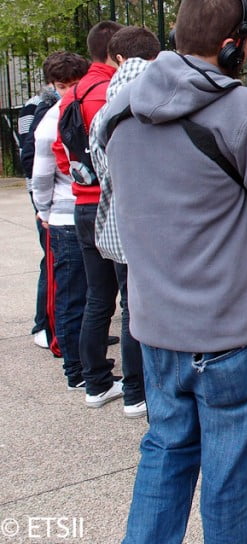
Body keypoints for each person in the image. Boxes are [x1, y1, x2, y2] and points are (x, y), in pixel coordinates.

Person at [104, 0, 247, 542]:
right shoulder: (242, 111)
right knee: (233, 469)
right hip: (231, 328)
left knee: (165, 453)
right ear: (234, 47)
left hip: (156, 326)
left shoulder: (119, 110)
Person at [52, 20, 143, 411]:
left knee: (97, 298)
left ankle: (94, 381)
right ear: (117, 53)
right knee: (131, 302)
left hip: (81, 204)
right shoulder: (110, 92)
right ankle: (137, 392)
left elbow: (61, 151)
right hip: (112, 205)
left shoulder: (72, 94)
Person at [85, 26, 162, 419]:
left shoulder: (103, 110)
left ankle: (135, 391)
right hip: (154, 232)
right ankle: (146, 391)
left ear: (117, 59)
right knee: (150, 315)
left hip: (117, 227)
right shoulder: (159, 95)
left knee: (132, 309)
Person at [31, 52, 90, 388]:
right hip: (64, 215)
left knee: (92, 294)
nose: (68, 90)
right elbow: (40, 176)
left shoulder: (87, 109)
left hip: (83, 211)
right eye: (61, 85)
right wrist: (44, 211)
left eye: (73, 83)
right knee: (70, 294)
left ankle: (86, 359)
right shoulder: (50, 122)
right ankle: (75, 368)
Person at [20, 78, 61, 350]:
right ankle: (42, 324)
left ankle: (69, 327)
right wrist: (40, 201)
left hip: (55, 196)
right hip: (45, 195)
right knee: (51, 261)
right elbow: (29, 154)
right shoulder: (35, 107)